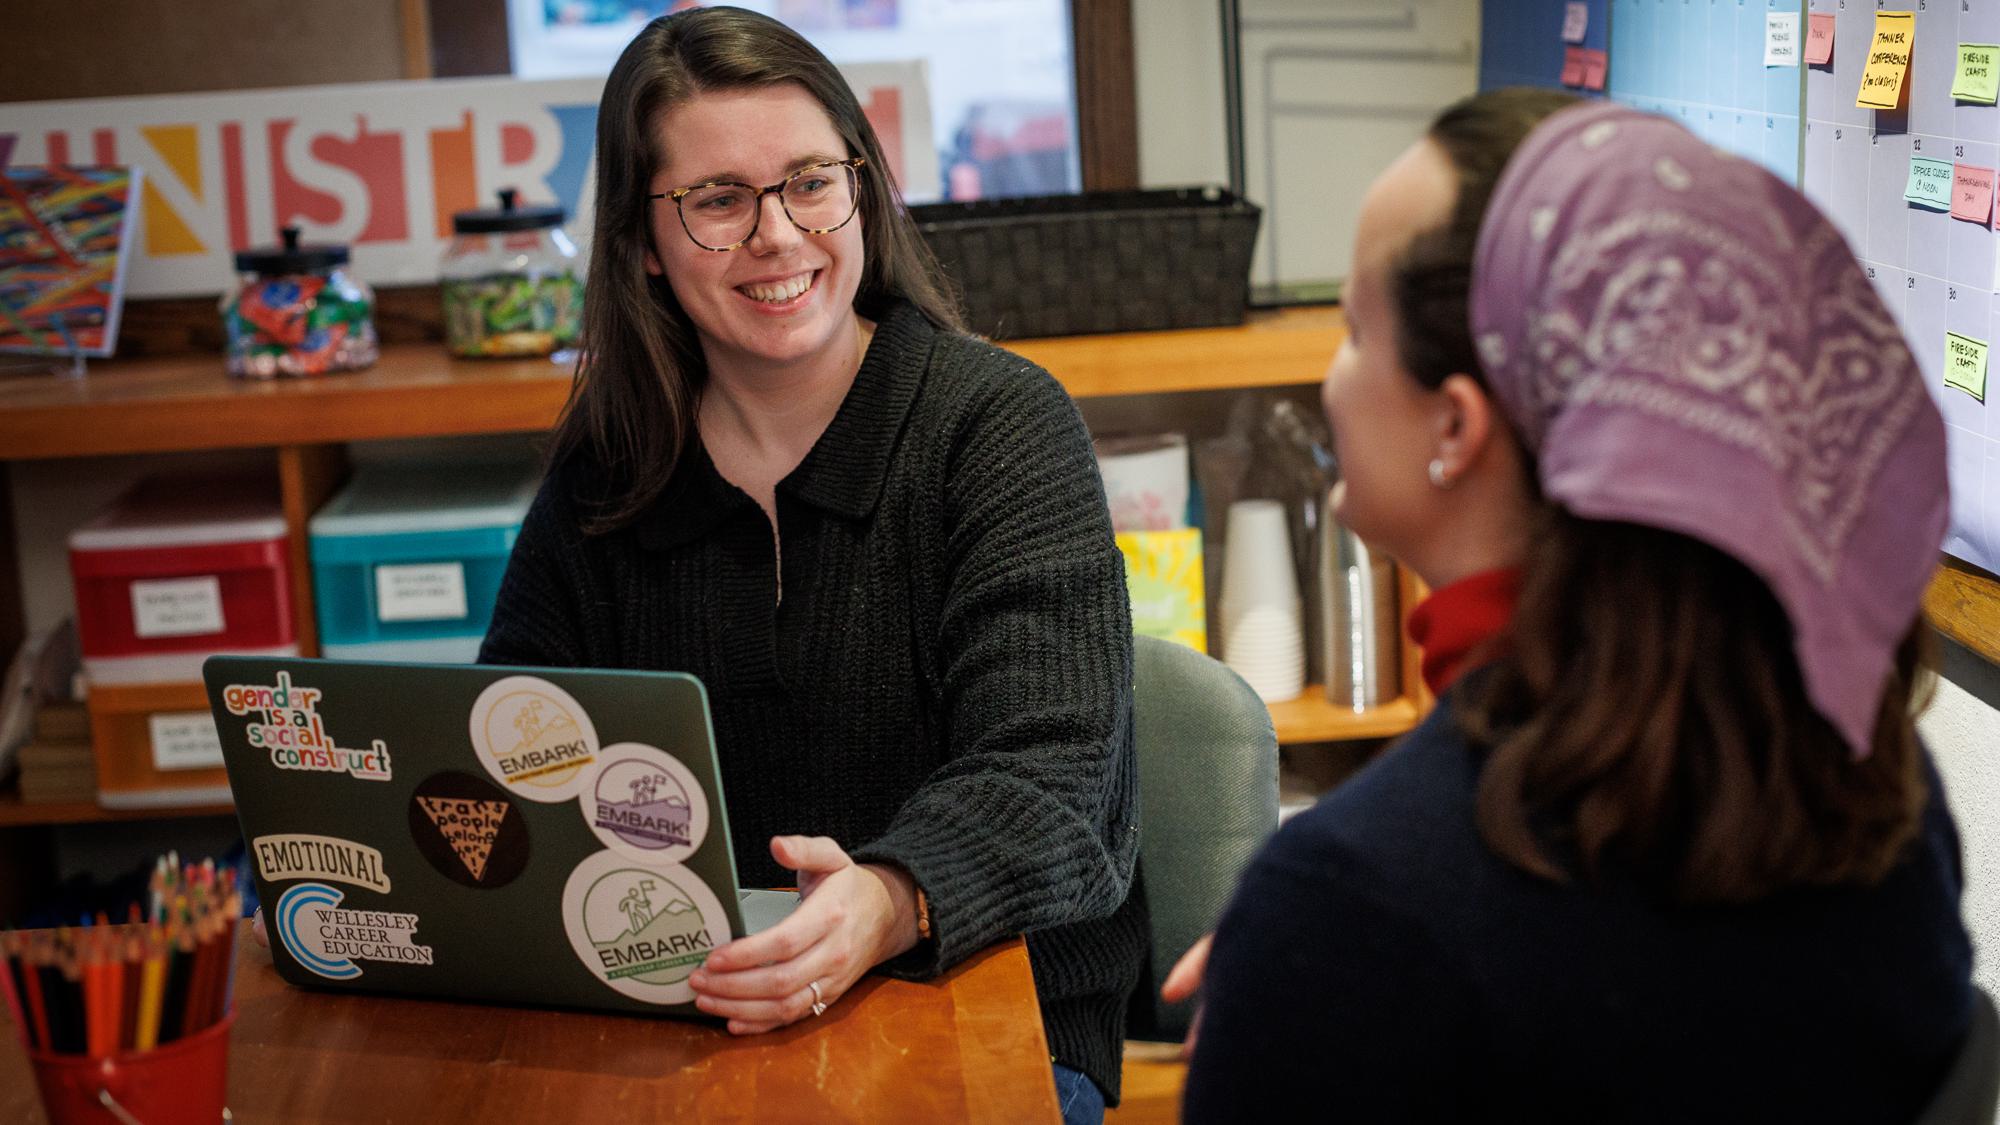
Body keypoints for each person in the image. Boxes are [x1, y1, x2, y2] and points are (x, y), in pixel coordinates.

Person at [1179, 90, 1974, 1121]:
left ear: (1454, 427)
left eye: (1349, 330)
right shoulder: (1877, 799)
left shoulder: (1360, 906)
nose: (1328, 383)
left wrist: (1302, 973)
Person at [475, 8, 1144, 1121]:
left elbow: (1053, 775)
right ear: (643, 241)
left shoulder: (997, 426)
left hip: (984, 1013)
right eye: (717, 200)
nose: (778, 236)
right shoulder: (609, 468)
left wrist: (888, 898)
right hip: (684, 1021)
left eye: (809, 182)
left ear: (862, 190)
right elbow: (513, 745)